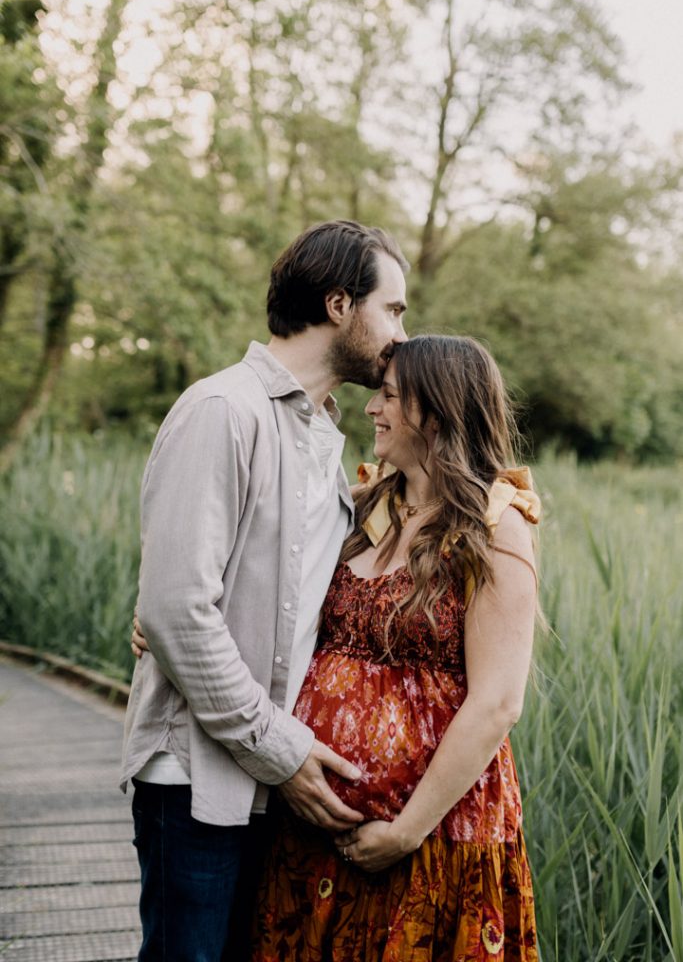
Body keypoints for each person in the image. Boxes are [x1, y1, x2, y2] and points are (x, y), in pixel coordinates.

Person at [121, 219, 409, 962]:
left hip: (272, 784)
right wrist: (281, 749)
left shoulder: (324, 435)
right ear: (340, 304)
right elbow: (178, 609)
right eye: (394, 310)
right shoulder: (224, 410)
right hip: (198, 777)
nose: (401, 334)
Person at [249, 334, 541, 960]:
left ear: (433, 413)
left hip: (430, 841)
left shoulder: (493, 527)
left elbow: (498, 702)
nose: (370, 409)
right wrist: (170, 618)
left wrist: (406, 831)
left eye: (388, 397)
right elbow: (266, 586)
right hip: (312, 832)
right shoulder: (365, 505)